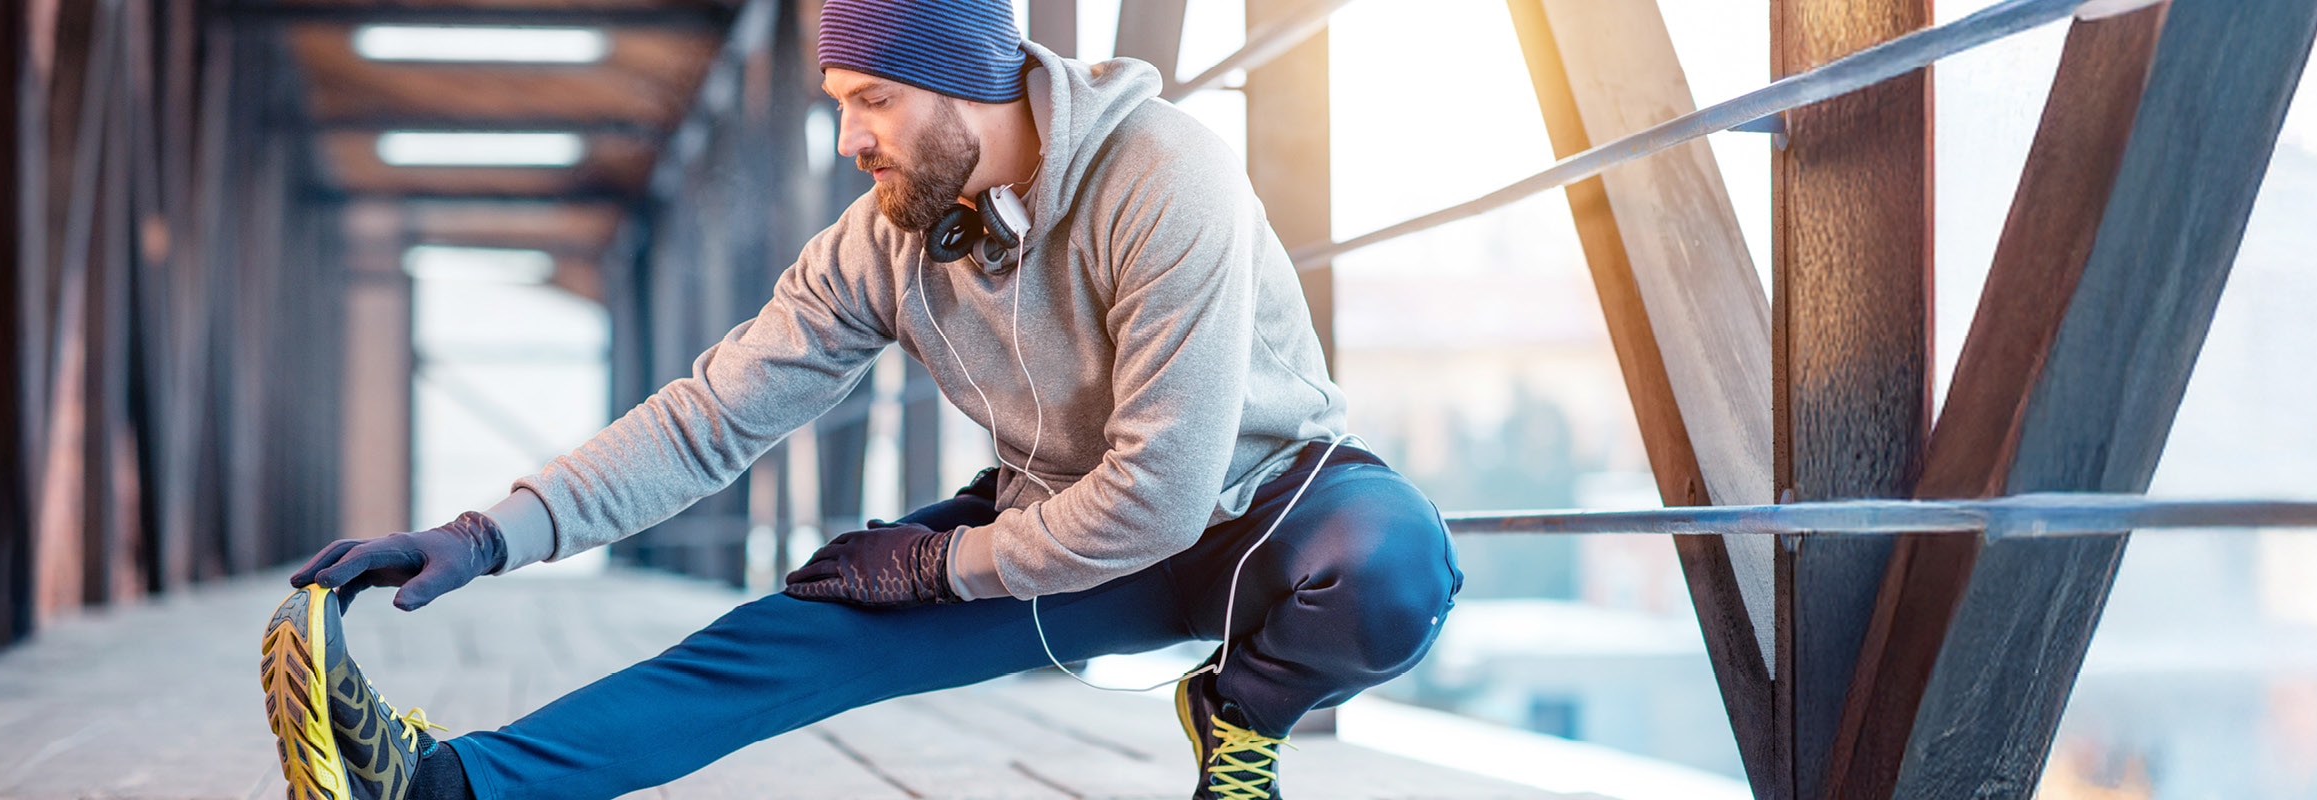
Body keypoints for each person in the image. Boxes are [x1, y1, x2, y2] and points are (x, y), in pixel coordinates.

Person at [264, 0, 1460, 796]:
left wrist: (939, 566)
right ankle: (444, 785)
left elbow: (1159, 493)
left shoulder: (1163, 173)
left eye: (873, 98)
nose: (849, 138)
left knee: (1391, 563)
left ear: (970, 82)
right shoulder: (880, 241)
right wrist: (485, 535)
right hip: (1064, 527)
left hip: (1268, 506)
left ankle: (1243, 717)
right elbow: (707, 416)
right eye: (838, 100)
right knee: (784, 641)